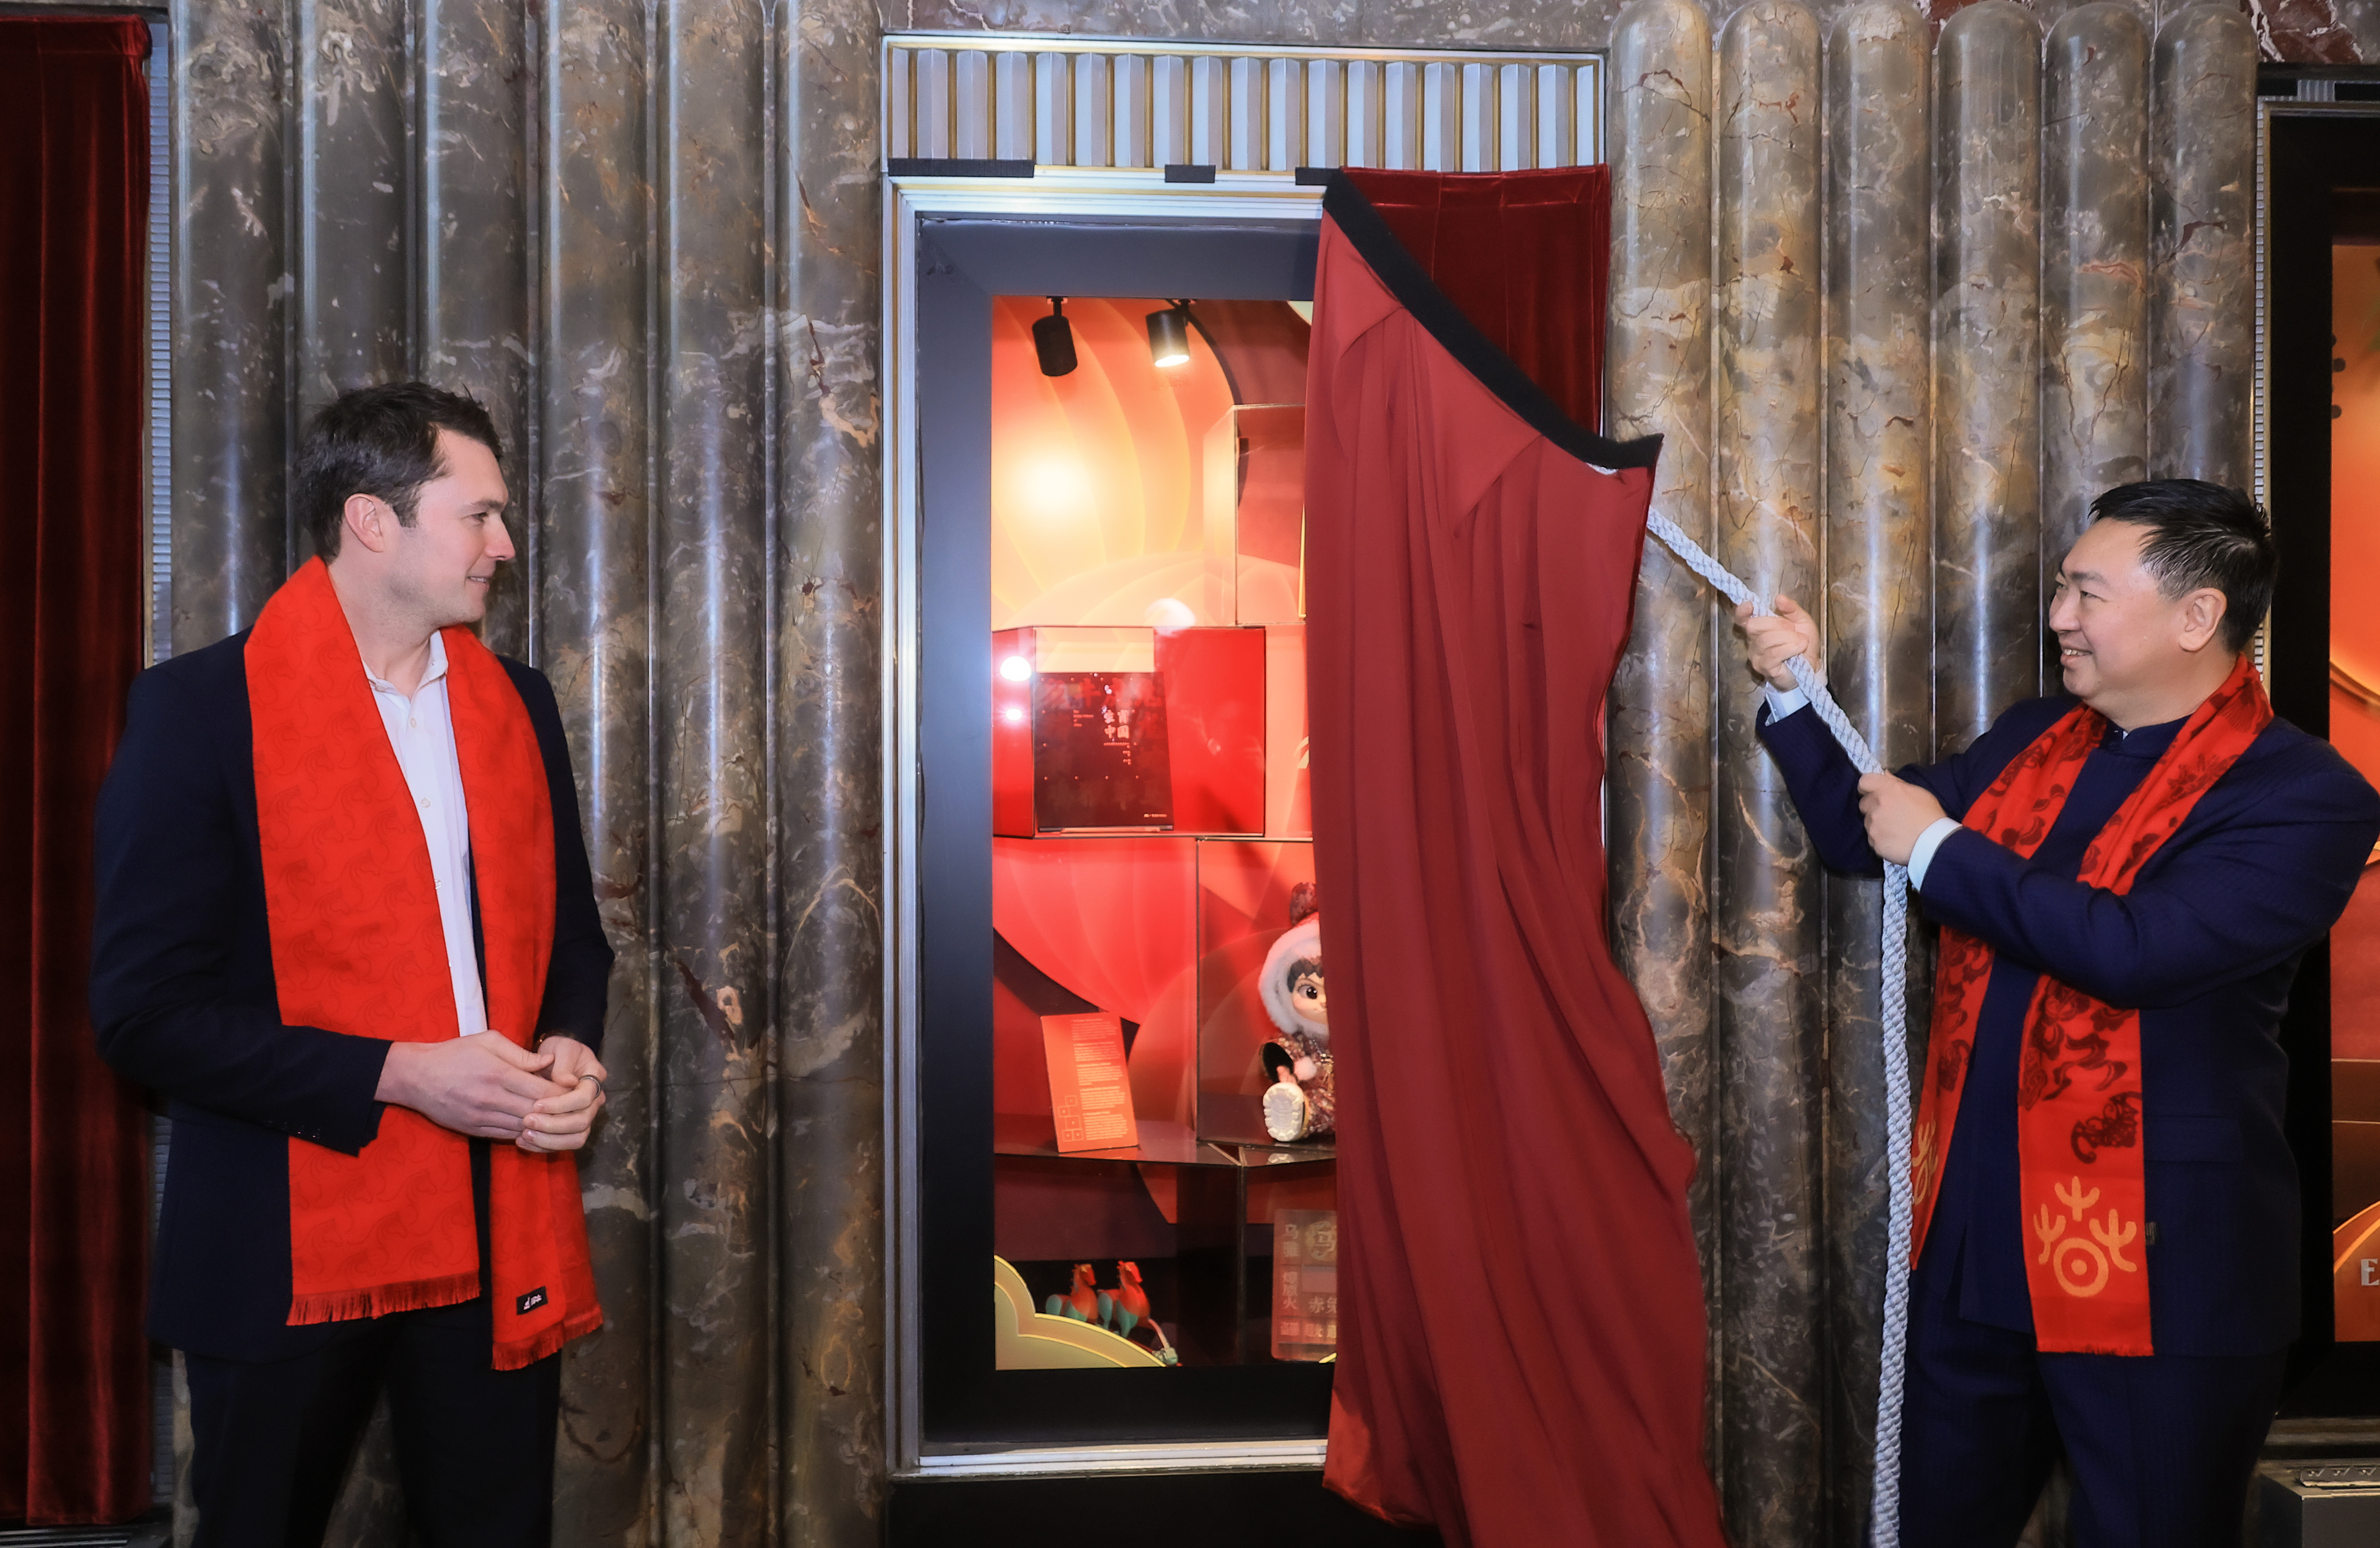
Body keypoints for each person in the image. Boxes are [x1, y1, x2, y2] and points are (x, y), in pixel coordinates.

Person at [1738, 479, 2380, 1547]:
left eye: (2088, 593)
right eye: (2062, 590)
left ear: (2197, 616)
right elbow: (1868, 835)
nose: (2059, 616)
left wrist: (1941, 845)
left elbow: (2137, 951)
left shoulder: (2303, 796)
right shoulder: (2037, 740)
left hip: (2166, 1268)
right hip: (1977, 1244)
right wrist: (1796, 690)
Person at [90, 383, 615, 1546]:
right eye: (478, 516)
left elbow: (576, 940)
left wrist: (569, 1045)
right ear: (374, 521)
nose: (504, 545)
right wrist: (401, 1073)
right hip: (283, 1236)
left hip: (498, 1215)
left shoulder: (519, 705)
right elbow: (144, 1012)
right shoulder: (199, 711)